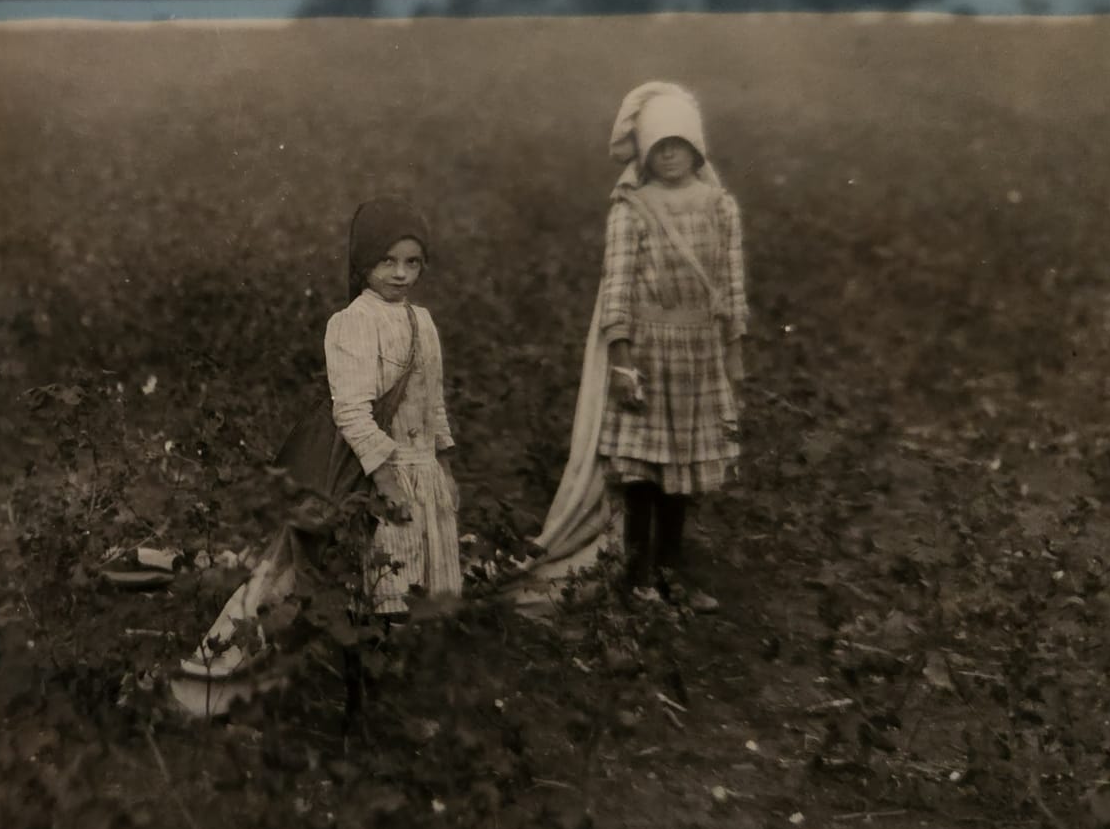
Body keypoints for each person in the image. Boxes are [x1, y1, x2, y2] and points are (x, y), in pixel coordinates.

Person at [179, 198, 461, 681]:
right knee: (370, 581)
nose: (400, 274)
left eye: (412, 262)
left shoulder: (424, 324)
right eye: (387, 261)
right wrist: (386, 478)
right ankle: (307, 675)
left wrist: (445, 467)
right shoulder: (354, 321)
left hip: (422, 469)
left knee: (418, 586)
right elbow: (350, 409)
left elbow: (433, 404)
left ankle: (400, 681)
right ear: (363, 262)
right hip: (374, 472)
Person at [516, 81, 749, 615]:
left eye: (679, 145)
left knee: (683, 472)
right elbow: (617, 286)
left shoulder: (719, 206)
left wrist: (734, 347)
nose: (670, 156)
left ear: (696, 149)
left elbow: (731, 283)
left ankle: (672, 572)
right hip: (648, 350)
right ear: (646, 153)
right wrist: (622, 359)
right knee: (644, 470)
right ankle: (640, 576)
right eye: (659, 147)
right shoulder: (631, 209)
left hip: (700, 353)